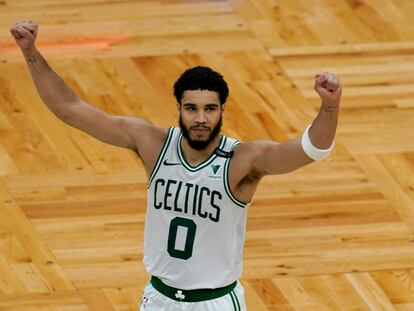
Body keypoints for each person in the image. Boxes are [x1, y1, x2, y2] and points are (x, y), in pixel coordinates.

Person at [10, 20, 342, 311]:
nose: (200, 118)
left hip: (216, 302)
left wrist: (329, 107)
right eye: (192, 108)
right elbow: (69, 108)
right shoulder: (153, 144)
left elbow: (312, 149)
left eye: (210, 109)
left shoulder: (242, 161)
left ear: (222, 110)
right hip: (160, 298)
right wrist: (30, 50)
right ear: (179, 108)